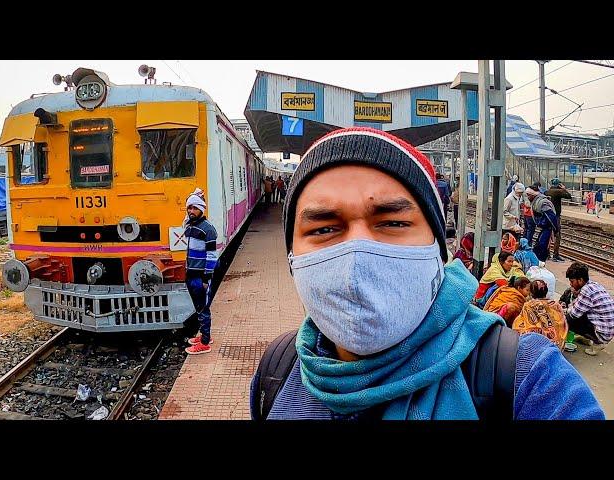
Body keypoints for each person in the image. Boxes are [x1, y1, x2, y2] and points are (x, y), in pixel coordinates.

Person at [250, 127, 604, 420]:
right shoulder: (276, 373)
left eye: (393, 222)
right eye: (324, 229)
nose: (356, 255)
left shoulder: (522, 375)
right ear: (293, 258)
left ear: (437, 251)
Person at [183, 192, 219, 355]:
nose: (191, 211)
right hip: (191, 274)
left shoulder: (208, 229)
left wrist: (206, 277)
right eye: (189, 207)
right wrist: (193, 197)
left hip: (200, 276)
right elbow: (185, 222)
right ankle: (205, 335)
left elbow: (212, 256)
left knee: (203, 308)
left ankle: (205, 342)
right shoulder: (191, 225)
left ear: (201, 209)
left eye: (194, 208)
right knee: (198, 307)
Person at [565, 262, 614, 356]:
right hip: (608, 330)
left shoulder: (586, 290)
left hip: (603, 334)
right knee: (580, 311)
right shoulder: (594, 285)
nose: (571, 284)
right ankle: (589, 339)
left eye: (572, 281)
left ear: (580, 280)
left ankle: (598, 343)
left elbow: (573, 314)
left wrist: (566, 309)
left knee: (567, 319)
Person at [513, 280, 568, 350]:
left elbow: (524, 320)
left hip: (538, 343)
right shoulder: (555, 304)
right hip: (557, 344)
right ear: (546, 291)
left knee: (518, 322)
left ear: (531, 293)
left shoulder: (528, 305)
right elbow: (562, 322)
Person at [526, 186, 558, 262]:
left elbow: (551, 216)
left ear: (533, 195)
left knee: (542, 246)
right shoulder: (536, 201)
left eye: (528, 195)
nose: (527, 197)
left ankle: (540, 262)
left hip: (547, 228)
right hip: (544, 227)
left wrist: (556, 229)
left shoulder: (542, 203)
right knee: (539, 246)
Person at [546, 178, 572, 262]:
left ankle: (547, 253)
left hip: (547, 215)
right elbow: (569, 196)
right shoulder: (558, 191)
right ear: (559, 184)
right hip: (555, 216)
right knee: (557, 235)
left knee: (548, 235)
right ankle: (555, 255)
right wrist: (564, 189)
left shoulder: (548, 191)